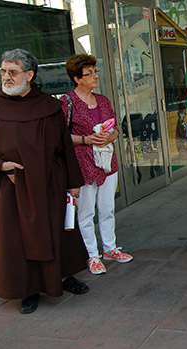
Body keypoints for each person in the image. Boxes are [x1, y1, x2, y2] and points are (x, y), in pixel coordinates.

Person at [0, 49, 90, 314]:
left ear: (29, 75)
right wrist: (0, 166)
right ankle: (27, 290)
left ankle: (63, 277)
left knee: (58, 232)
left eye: (12, 72)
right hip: (13, 186)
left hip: (51, 182)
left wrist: (73, 181)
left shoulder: (49, 106)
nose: (6, 77)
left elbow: (64, 146)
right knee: (18, 240)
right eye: (2, 71)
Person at [61, 54, 132, 275]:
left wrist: (112, 136)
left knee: (107, 207)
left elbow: (115, 127)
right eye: (89, 73)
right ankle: (92, 254)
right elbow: (60, 136)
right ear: (76, 78)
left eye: (95, 71)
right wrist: (85, 139)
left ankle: (110, 248)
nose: (95, 76)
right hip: (83, 162)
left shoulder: (102, 100)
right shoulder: (67, 103)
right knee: (85, 211)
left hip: (106, 160)